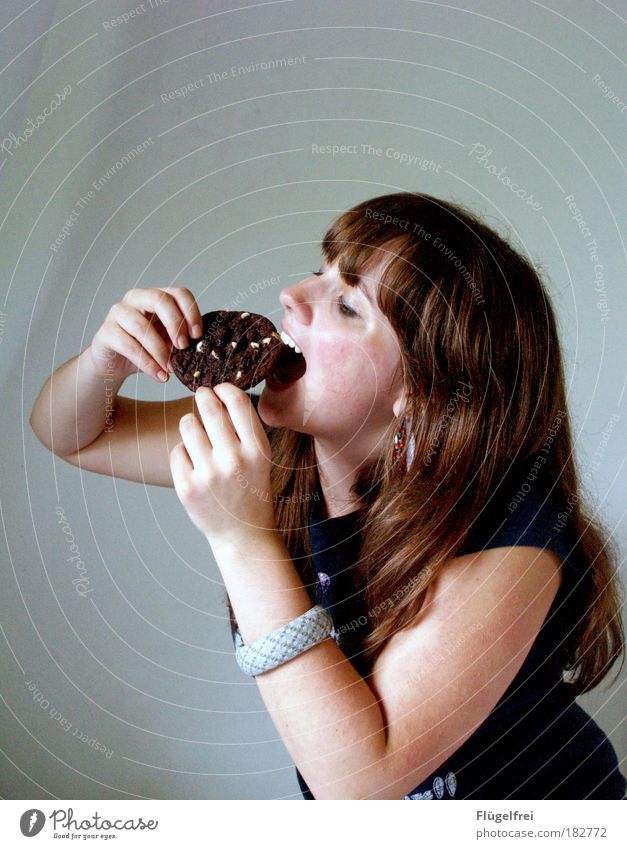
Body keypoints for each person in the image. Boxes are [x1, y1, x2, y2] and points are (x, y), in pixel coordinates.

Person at [30, 191, 626, 800]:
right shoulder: (279, 453)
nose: (291, 294)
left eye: (346, 304)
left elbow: (360, 785)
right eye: (321, 271)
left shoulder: (512, 545)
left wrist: (241, 538)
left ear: (424, 394)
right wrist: (104, 364)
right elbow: (73, 434)